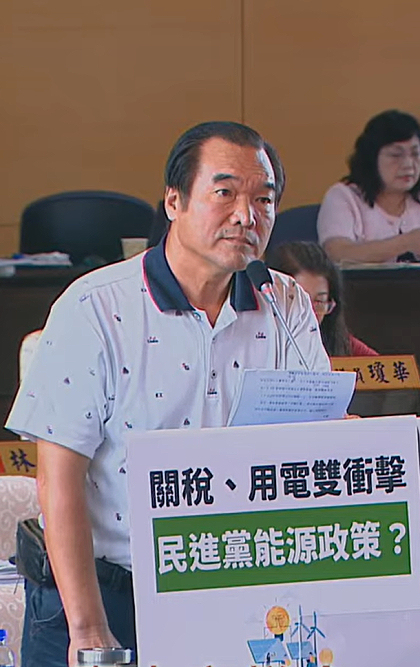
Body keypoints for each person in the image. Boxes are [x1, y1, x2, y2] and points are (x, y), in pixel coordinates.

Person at [5, 121, 330, 666]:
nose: (246, 216)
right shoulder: (95, 308)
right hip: (105, 593)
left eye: (264, 200)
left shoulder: (285, 303)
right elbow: (58, 478)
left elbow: (315, 444)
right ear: (174, 201)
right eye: (225, 193)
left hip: (235, 590)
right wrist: (89, 627)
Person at [316, 109, 420, 264]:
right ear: (371, 159)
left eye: (416, 153)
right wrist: (406, 243)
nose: (408, 164)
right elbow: (336, 253)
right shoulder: (343, 196)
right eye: (396, 155)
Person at [267, 241, 378, 357]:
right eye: (301, 301)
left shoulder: (343, 345)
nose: (311, 314)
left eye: (319, 302)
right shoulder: (258, 343)